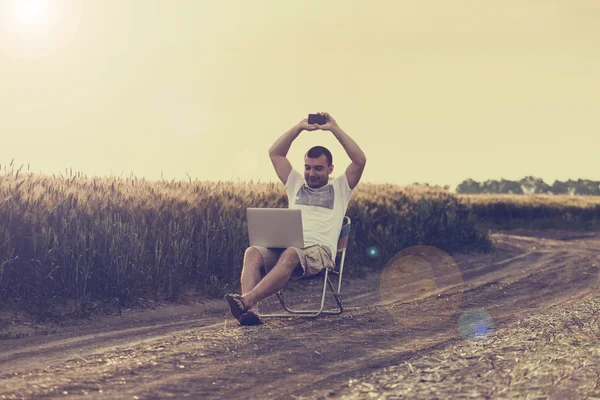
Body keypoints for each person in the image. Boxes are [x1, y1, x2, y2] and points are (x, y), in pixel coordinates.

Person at [225, 112, 367, 325]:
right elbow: (275, 153)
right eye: (307, 167)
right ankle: (250, 311)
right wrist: (299, 127)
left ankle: (246, 300)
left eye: (318, 168)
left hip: (319, 251)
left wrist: (334, 128)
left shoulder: (340, 187)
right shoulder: (296, 184)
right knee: (252, 252)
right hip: (289, 247)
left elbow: (360, 160)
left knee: (292, 253)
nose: (311, 173)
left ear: (330, 169)